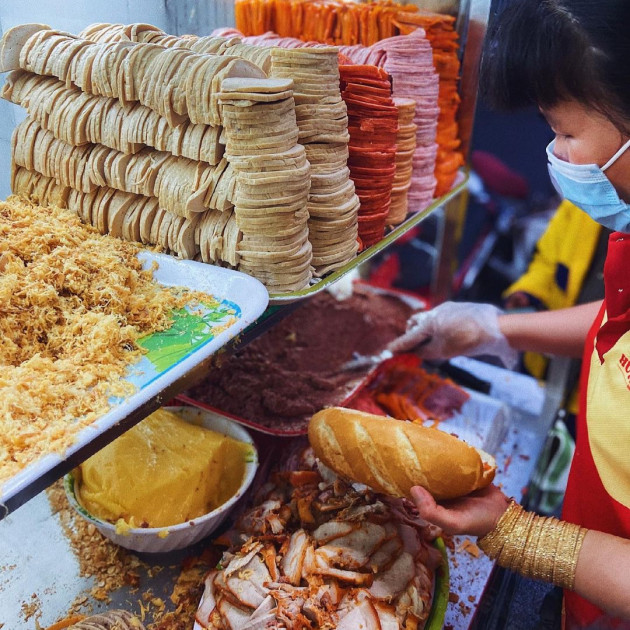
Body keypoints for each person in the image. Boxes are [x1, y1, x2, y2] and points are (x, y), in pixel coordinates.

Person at [388, 1, 630, 627]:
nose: (554, 154)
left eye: (563, 131)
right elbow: (620, 326)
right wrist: (493, 327)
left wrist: (517, 533)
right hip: (594, 547)